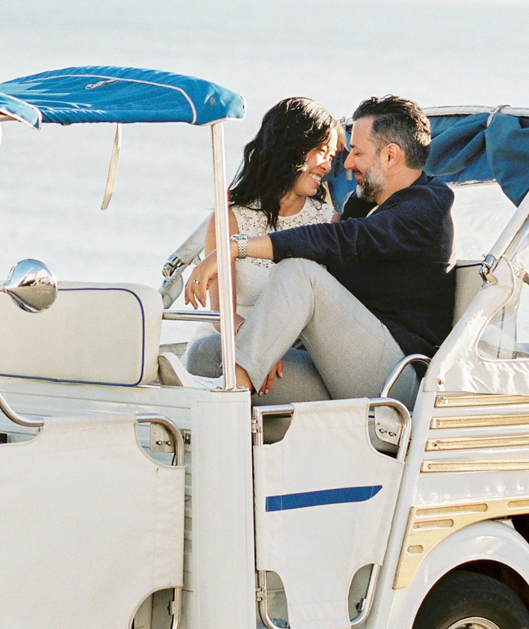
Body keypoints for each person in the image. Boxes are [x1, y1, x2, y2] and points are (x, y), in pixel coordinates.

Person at [184, 94, 453, 405]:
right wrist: (267, 346)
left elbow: (340, 238)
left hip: (396, 377)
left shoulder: (425, 207)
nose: (347, 165)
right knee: (206, 355)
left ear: (390, 156)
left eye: (356, 152)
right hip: (343, 369)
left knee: (299, 270)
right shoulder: (372, 204)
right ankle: (248, 403)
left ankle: (234, 395)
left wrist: (237, 247)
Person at [178, 97, 339, 391]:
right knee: (211, 351)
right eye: (321, 151)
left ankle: (198, 392)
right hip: (232, 338)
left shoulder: (329, 222)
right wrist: (259, 346)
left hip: (295, 351)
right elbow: (220, 313)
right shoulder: (230, 217)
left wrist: (273, 347)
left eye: (332, 155)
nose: (328, 165)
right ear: (293, 147)